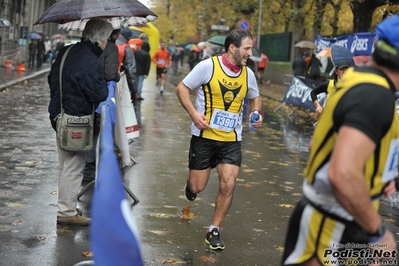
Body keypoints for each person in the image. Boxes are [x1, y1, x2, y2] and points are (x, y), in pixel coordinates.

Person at [282, 15, 399, 265]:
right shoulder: (375, 96)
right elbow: (342, 173)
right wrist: (379, 232)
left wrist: (382, 174)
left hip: (344, 219)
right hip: (331, 224)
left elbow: (318, 146)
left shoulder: (359, 83)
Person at [175, 29, 263, 250]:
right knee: (197, 187)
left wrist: (256, 114)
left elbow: (255, 98)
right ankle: (191, 187)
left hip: (231, 139)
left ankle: (213, 230)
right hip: (204, 137)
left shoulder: (248, 74)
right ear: (232, 48)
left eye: (250, 48)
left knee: (228, 183)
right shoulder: (208, 66)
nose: (250, 53)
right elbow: (181, 88)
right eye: (247, 48)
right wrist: (194, 114)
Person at [48, 18, 112, 226]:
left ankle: (65, 205)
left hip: (59, 114)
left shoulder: (67, 51)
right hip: (77, 120)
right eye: (107, 39)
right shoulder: (90, 61)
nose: (107, 43)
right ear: (101, 39)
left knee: (64, 164)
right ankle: (66, 212)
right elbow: (99, 93)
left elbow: (51, 79)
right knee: (74, 166)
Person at [83, 28, 122, 182]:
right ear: (116, 33)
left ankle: (87, 164)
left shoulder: (88, 46)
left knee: (90, 128)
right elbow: (110, 74)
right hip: (102, 93)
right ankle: (93, 166)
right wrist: (118, 75)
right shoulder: (111, 47)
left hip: (87, 91)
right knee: (100, 128)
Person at [311, 45, 355, 114]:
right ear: (336, 71)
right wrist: (318, 106)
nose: (344, 72)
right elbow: (313, 93)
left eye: (347, 69)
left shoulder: (351, 86)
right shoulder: (329, 84)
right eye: (342, 69)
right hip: (328, 118)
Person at [116, 28, 138, 103]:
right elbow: (131, 70)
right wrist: (134, 90)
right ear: (127, 38)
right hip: (117, 80)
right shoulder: (126, 48)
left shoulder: (106, 43)